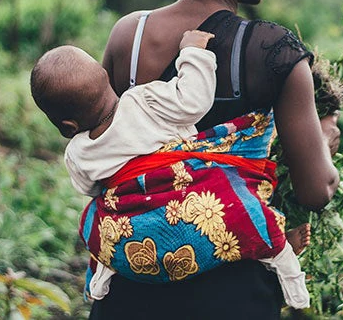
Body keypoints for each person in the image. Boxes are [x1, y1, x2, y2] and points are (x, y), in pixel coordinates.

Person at [92, 0, 339, 319]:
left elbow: (103, 149)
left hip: (131, 282)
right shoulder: (274, 52)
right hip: (231, 295)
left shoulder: (128, 35)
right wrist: (324, 137)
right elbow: (317, 190)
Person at [29, 30, 311, 309]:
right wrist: (193, 52)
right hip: (191, 206)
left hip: (137, 237)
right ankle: (286, 267)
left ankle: (103, 273)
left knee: (95, 221)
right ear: (106, 78)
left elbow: (91, 189)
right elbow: (194, 101)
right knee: (242, 209)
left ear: (67, 127)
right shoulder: (143, 101)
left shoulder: (78, 153)